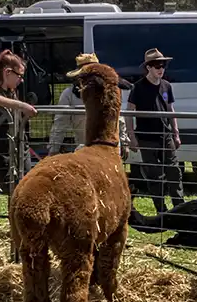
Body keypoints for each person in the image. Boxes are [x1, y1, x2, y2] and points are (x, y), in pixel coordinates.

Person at [125, 48, 185, 213]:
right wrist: (131, 137)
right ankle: (161, 210)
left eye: (163, 65)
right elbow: (129, 113)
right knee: (155, 176)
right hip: (146, 138)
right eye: (157, 65)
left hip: (165, 137)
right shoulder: (138, 88)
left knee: (174, 172)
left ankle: (179, 207)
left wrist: (176, 134)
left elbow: (171, 111)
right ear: (148, 68)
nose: (161, 69)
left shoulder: (167, 86)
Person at [47, 53, 130, 160]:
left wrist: (124, 141)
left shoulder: (109, 91)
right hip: (84, 147)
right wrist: (54, 148)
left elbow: (118, 117)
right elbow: (60, 123)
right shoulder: (69, 95)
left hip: (110, 146)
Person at [0, 49, 38, 193]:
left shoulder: (12, 92)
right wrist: (21, 105)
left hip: (19, 149)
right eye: (19, 76)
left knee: (25, 189)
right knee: (16, 191)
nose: (21, 80)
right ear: (7, 72)